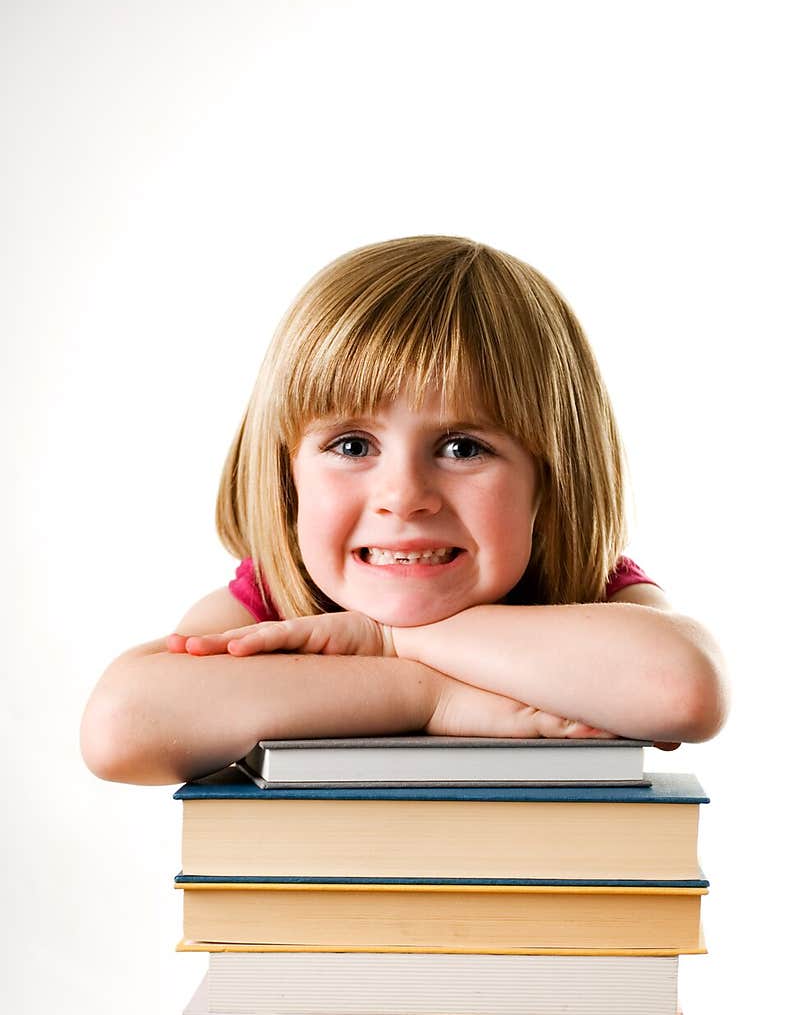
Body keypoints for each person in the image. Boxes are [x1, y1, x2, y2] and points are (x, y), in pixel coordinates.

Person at [81, 236, 729, 786]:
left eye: (462, 446)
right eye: (353, 445)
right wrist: (429, 692)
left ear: (549, 479)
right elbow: (121, 730)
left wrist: (395, 637)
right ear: (288, 475)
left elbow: (684, 691)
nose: (403, 495)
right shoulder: (279, 600)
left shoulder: (589, 592)